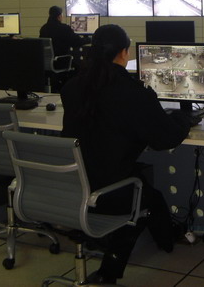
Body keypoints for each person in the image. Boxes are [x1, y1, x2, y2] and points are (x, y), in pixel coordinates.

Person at [60, 24, 191, 284]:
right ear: (124, 53)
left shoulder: (72, 87)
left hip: (71, 185)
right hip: (109, 192)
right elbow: (164, 139)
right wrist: (183, 119)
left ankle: (167, 240)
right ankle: (120, 266)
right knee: (146, 195)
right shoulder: (132, 92)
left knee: (147, 192)